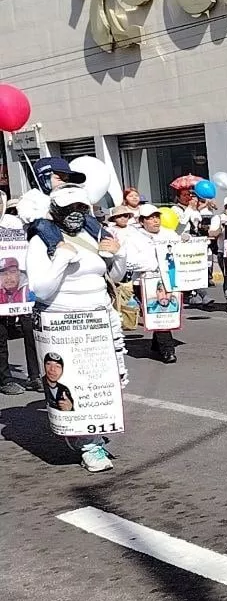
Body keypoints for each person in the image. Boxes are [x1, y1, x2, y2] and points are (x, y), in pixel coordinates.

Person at [26, 185, 127, 473]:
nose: (76, 214)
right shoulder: (41, 242)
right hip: (63, 321)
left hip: (101, 318)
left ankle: (87, 433)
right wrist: (59, 258)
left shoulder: (92, 234)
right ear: (56, 212)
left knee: (108, 380)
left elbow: (115, 275)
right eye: (69, 209)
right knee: (73, 384)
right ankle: (88, 443)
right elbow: (40, 289)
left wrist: (117, 255)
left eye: (81, 208)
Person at [118, 204, 183, 363]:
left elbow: (181, 253)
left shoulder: (169, 234)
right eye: (150, 218)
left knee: (166, 312)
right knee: (159, 311)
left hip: (168, 280)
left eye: (157, 217)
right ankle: (167, 350)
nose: (155, 221)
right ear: (142, 221)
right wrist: (155, 262)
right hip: (145, 282)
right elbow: (130, 262)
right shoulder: (132, 237)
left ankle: (157, 343)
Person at [18, 158, 107, 258]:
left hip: (70, 228)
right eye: (59, 179)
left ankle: (106, 239)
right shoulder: (32, 196)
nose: (64, 183)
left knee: (86, 217)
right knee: (42, 223)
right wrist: (47, 215)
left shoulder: (67, 194)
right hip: (46, 229)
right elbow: (24, 213)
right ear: (44, 179)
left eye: (66, 179)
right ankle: (57, 248)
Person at [0, 193, 39, 395]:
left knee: (30, 330)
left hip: (22, 285)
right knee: (1, 336)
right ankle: (5, 379)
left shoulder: (20, 225)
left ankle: (35, 376)